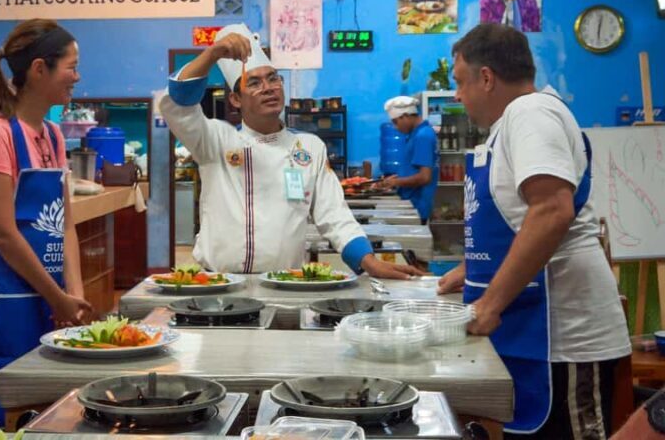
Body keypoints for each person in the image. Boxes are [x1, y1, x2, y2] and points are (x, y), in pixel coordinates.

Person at [438, 23, 630, 439]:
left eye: (459, 82)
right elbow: (517, 216)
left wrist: (489, 303)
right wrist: (473, 267)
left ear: (486, 77)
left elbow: (550, 210)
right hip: (533, 334)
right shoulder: (513, 123)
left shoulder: (531, 113)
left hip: (564, 341)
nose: (456, 95)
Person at [160, 23, 423, 279]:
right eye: (254, 83)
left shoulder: (309, 148)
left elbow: (334, 214)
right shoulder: (214, 140)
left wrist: (369, 261)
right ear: (236, 100)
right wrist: (212, 54)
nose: (268, 88)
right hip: (218, 283)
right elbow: (178, 104)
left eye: (273, 78)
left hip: (285, 284)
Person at [0, 19, 92, 425]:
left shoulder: (53, 135)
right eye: (71, 66)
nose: (77, 76)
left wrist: (73, 293)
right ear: (40, 69)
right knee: (4, 418)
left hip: (49, 297)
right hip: (3, 300)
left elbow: (65, 224)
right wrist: (56, 296)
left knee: (51, 415)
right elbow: (3, 233)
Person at [375, 96, 439, 224]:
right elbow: (414, 170)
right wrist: (394, 179)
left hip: (418, 206)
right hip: (412, 203)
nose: (395, 127)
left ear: (405, 116)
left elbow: (425, 177)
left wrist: (396, 182)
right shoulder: (415, 135)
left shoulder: (423, 136)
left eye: (396, 122)